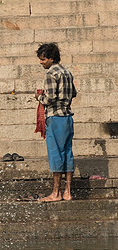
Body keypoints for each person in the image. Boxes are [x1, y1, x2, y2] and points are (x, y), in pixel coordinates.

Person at [35, 43, 77, 202]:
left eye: (43, 59)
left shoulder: (51, 74)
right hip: (67, 117)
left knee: (56, 154)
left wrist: (39, 97)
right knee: (67, 153)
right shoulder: (67, 72)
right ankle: (67, 192)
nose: (41, 62)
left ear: (51, 59)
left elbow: (50, 98)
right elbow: (73, 93)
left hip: (55, 117)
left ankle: (56, 193)